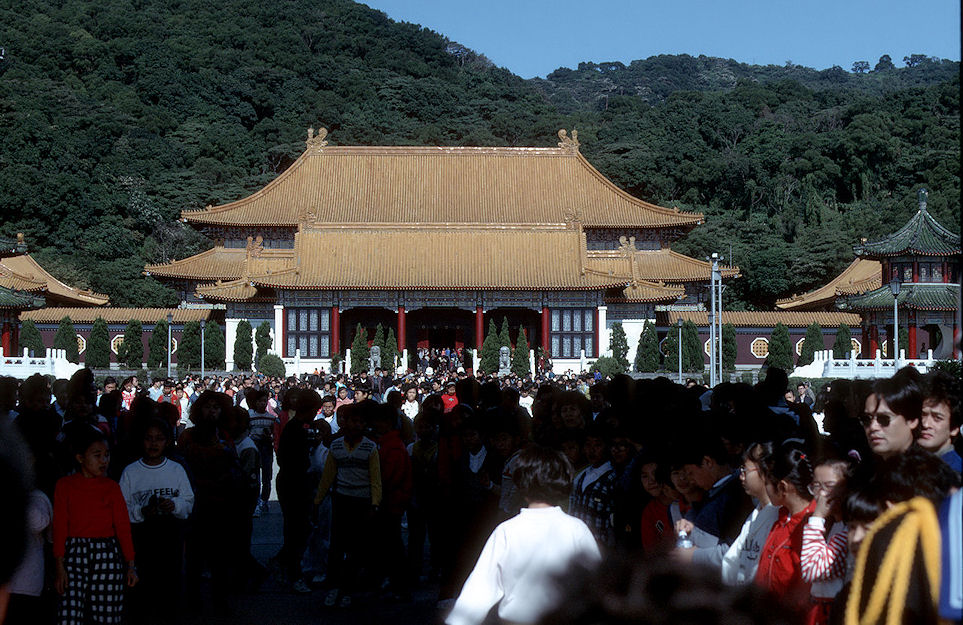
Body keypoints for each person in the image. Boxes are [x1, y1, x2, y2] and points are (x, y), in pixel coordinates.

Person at [446, 446, 601, 625]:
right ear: (565, 480)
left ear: (521, 483)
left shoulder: (506, 531)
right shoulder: (576, 529)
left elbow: (480, 588)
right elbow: (596, 584)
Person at [53, 427, 138, 625]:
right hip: (73, 554)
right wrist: (59, 566)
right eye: (97, 455)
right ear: (80, 458)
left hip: (107, 554)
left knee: (107, 615)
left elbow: (123, 528)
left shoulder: (111, 487)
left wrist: (131, 565)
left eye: (107, 455)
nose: (103, 461)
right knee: (69, 615)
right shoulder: (64, 485)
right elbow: (59, 526)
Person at [118, 418, 194, 620]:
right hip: (141, 539)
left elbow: (188, 501)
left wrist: (174, 505)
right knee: (142, 591)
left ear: (168, 441)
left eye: (159, 439)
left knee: (169, 588)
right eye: (149, 439)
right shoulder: (131, 472)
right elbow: (121, 508)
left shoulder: (176, 469)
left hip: (170, 537)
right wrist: (142, 511)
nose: (153, 444)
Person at [314, 403, 382, 608]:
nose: (357, 425)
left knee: (355, 548)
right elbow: (328, 476)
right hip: (341, 500)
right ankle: (334, 588)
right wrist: (318, 500)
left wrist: (374, 504)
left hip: (362, 502)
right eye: (354, 421)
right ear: (345, 423)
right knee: (336, 546)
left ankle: (348, 590)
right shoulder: (335, 446)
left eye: (361, 422)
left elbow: (375, 478)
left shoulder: (370, 447)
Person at [753, 441, 815, 607]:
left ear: (782, 487)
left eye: (767, 482)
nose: (765, 488)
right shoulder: (780, 517)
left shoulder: (812, 527)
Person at [276, 389, 320, 594]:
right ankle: (293, 573)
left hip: (293, 483)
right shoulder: (295, 430)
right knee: (296, 530)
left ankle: (288, 567)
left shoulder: (301, 427)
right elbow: (290, 460)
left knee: (297, 529)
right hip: (294, 484)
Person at [720, 442, 779, 586]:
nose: (741, 476)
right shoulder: (755, 513)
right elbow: (731, 561)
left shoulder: (778, 515)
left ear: (765, 471)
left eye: (745, 470)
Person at [800, 456, 850, 625]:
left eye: (829, 486)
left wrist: (818, 516)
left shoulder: (849, 531)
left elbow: (812, 570)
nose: (821, 494)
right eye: (816, 486)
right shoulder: (832, 526)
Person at [860, 374, 921, 460]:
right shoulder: (867, 468)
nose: (873, 427)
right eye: (866, 419)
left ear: (912, 420)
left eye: (884, 419)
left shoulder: (927, 470)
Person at [919, 370, 961, 472]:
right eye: (922, 415)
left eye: (937, 418)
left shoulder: (954, 473)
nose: (925, 424)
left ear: (954, 428)